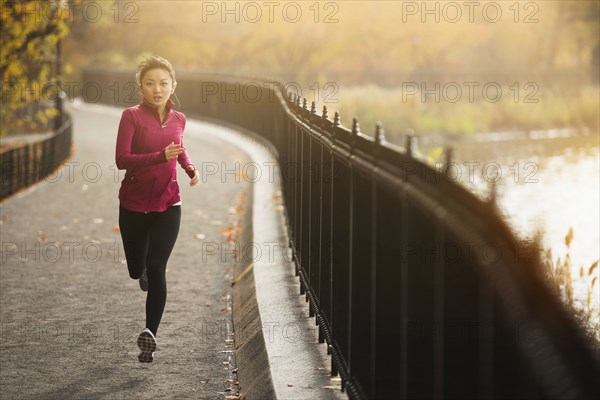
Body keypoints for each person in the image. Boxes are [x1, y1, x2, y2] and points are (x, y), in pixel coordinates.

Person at [115, 56, 199, 363]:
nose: (157, 89)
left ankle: (150, 333)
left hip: (168, 204)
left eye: (164, 83)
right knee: (137, 269)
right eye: (150, 83)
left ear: (173, 86)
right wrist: (158, 156)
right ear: (140, 86)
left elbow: (180, 146)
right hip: (134, 206)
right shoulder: (131, 117)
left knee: (158, 266)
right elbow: (122, 159)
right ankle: (142, 272)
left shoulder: (179, 119)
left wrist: (188, 167)